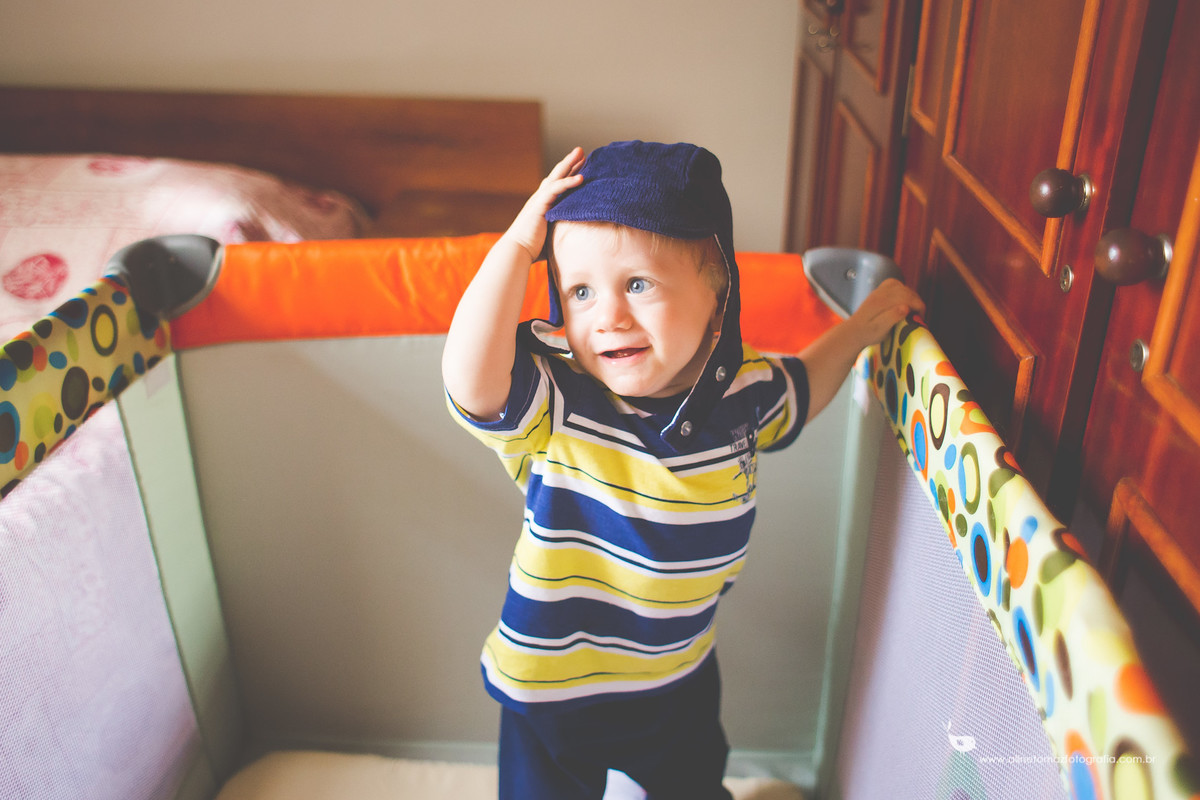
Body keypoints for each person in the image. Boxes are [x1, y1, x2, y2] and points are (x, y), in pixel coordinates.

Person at [442, 140, 923, 799]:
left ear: (717, 286)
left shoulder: (745, 390)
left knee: (695, 783)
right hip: (553, 680)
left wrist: (862, 328)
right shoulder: (563, 400)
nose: (607, 316)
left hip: (675, 669)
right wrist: (514, 247)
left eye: (638, 284)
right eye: (578, 291)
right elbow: (471, 382)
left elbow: (805, 386)